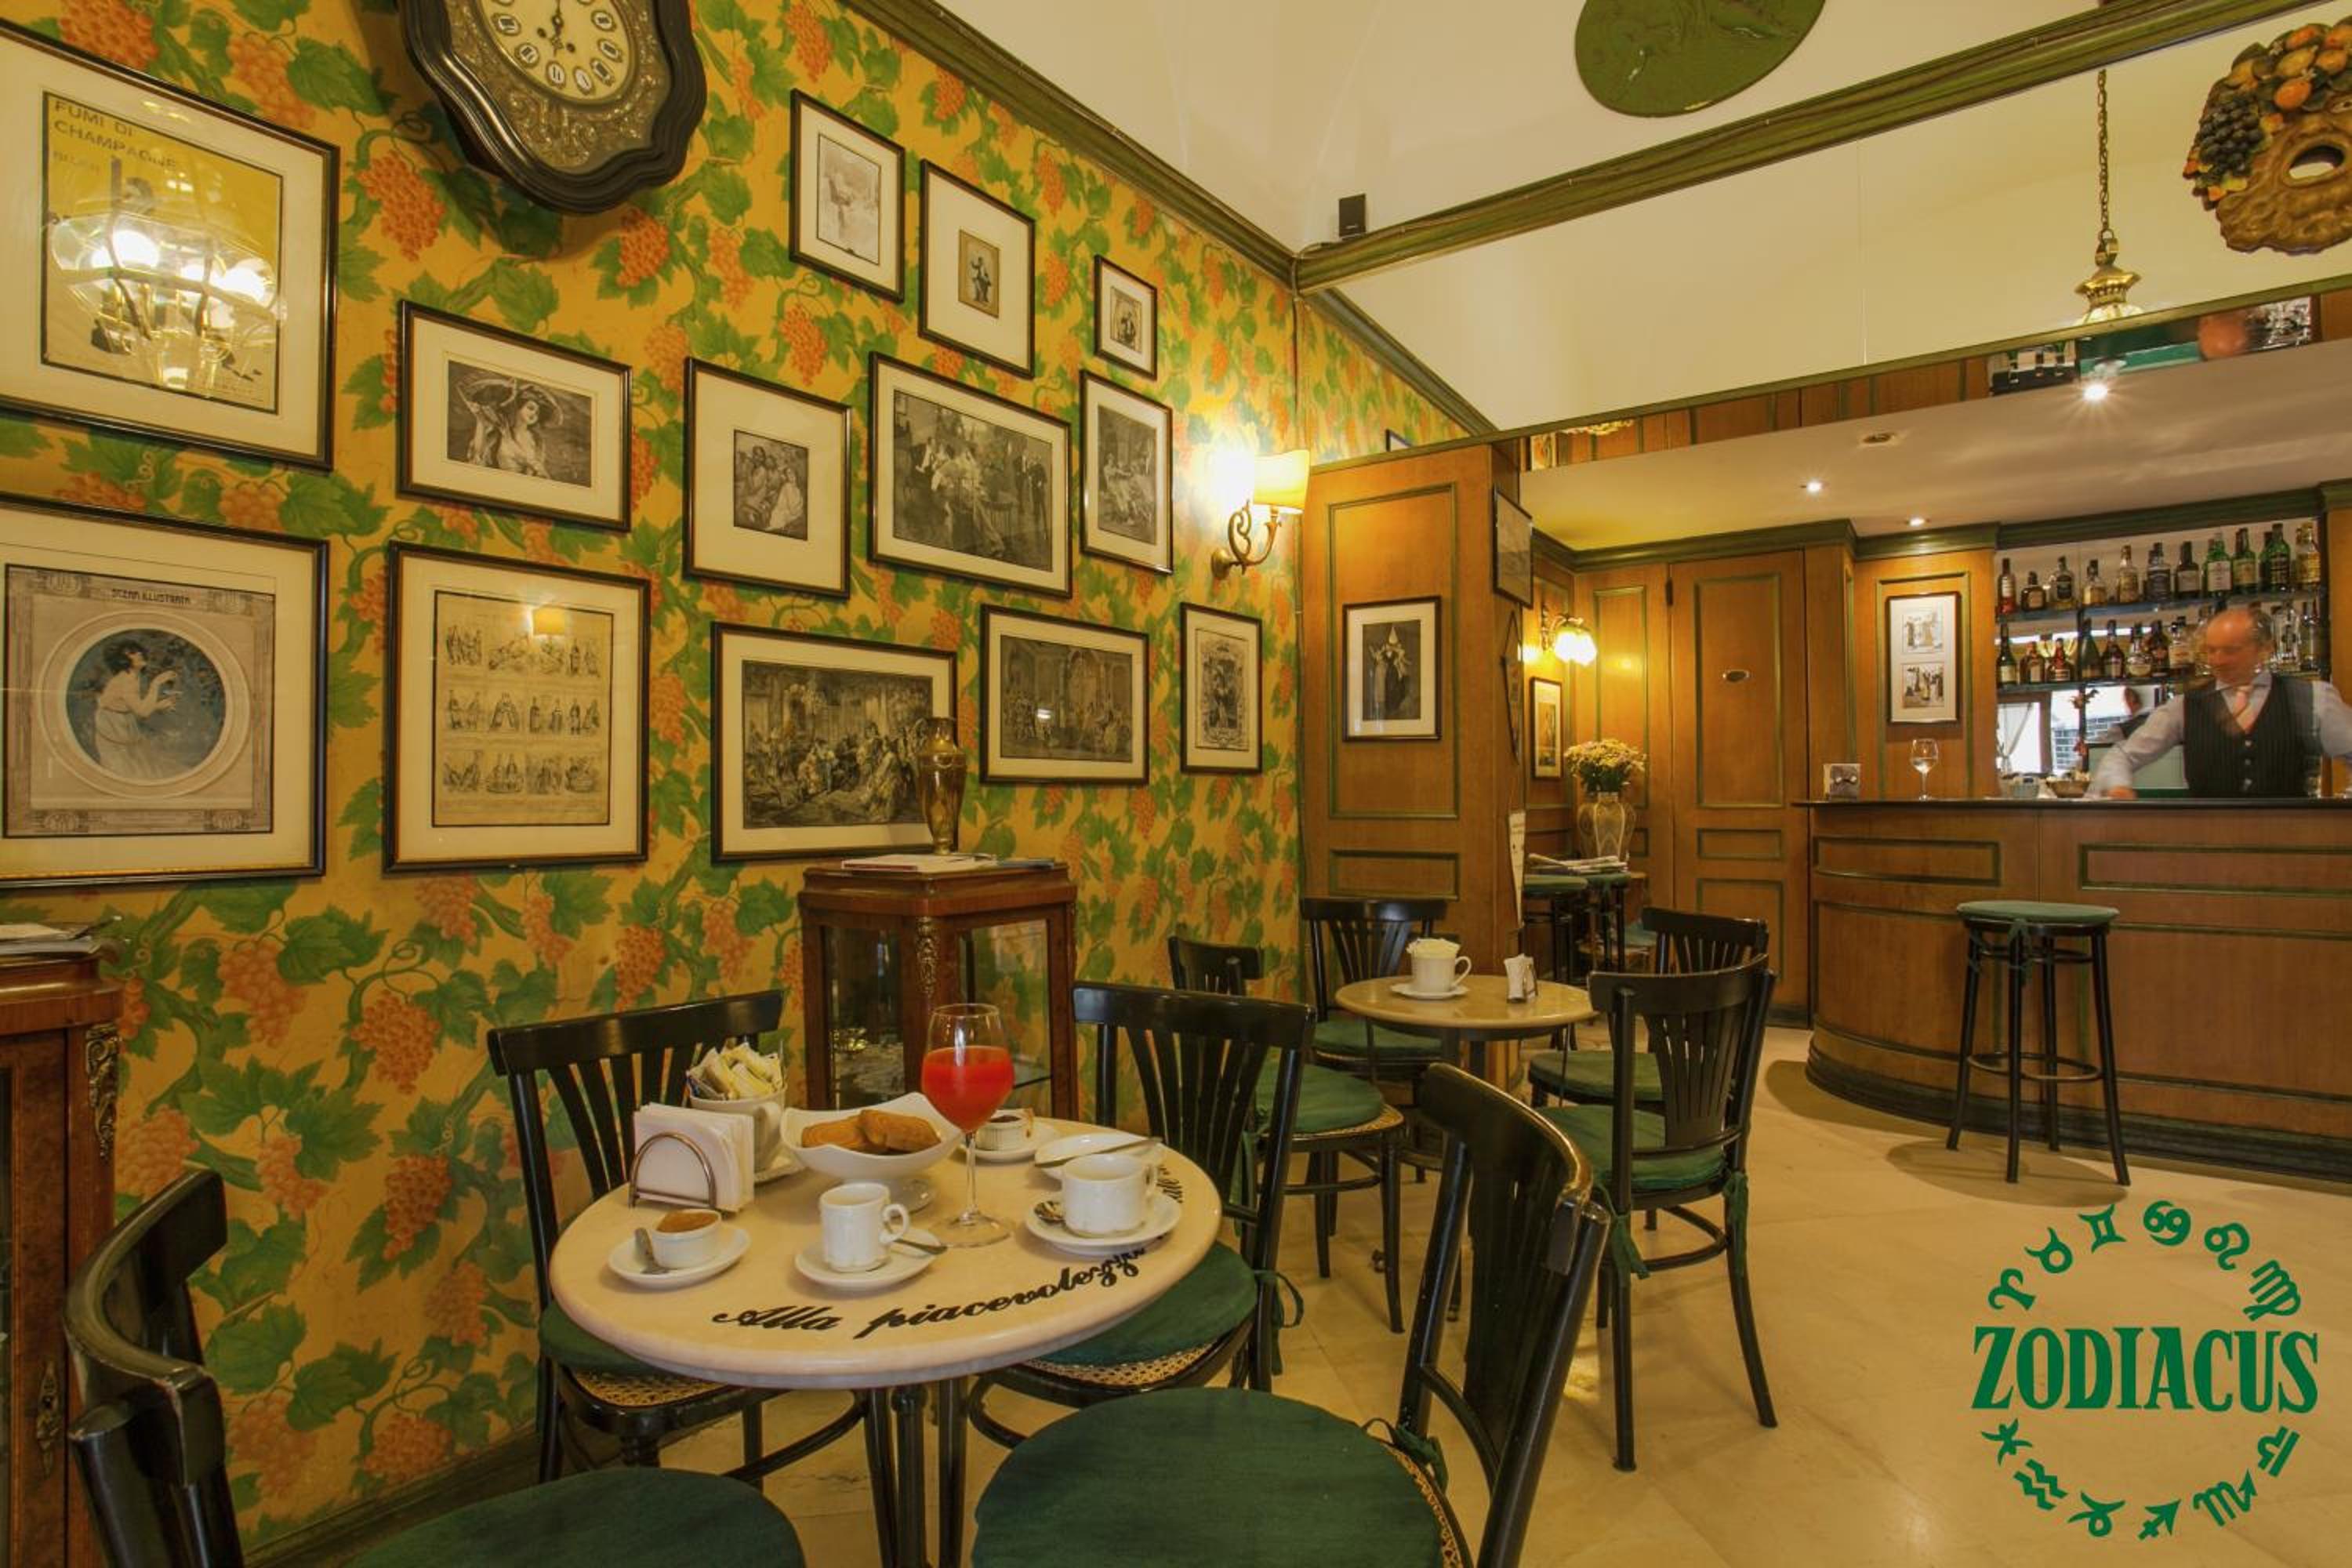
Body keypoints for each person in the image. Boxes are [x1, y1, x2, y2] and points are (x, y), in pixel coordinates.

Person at [2092, 607, 2352, 797]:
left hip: (2292, 841)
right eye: (2211, 650)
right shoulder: (2183, 707)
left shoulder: (2311, 698)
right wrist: (2118, 786)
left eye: (2230, 651)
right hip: (2210, 841)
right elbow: (2122, 755)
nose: (2217, 660)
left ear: (2265, 649)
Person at [91, 641, 179, 779]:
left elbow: (136, 706)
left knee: (140, 764)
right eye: (132, 653)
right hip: (112, 725)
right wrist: (156, 684)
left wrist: (156, 705)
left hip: (123, 720)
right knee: (124, 768)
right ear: (122, 660)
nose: (139, 654)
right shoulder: (126, 681)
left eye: (138, 651)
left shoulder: (133, 675)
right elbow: (143, 712)